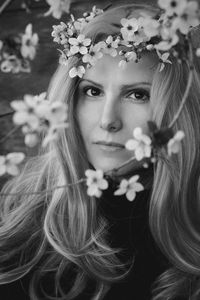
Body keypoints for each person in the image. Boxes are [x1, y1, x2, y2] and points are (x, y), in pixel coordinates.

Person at [1, 2, 200, 300]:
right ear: (68, 100)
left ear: (177, 111)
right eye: (92, 91)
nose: (108, 120)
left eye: (137, 94)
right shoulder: (21, 233)